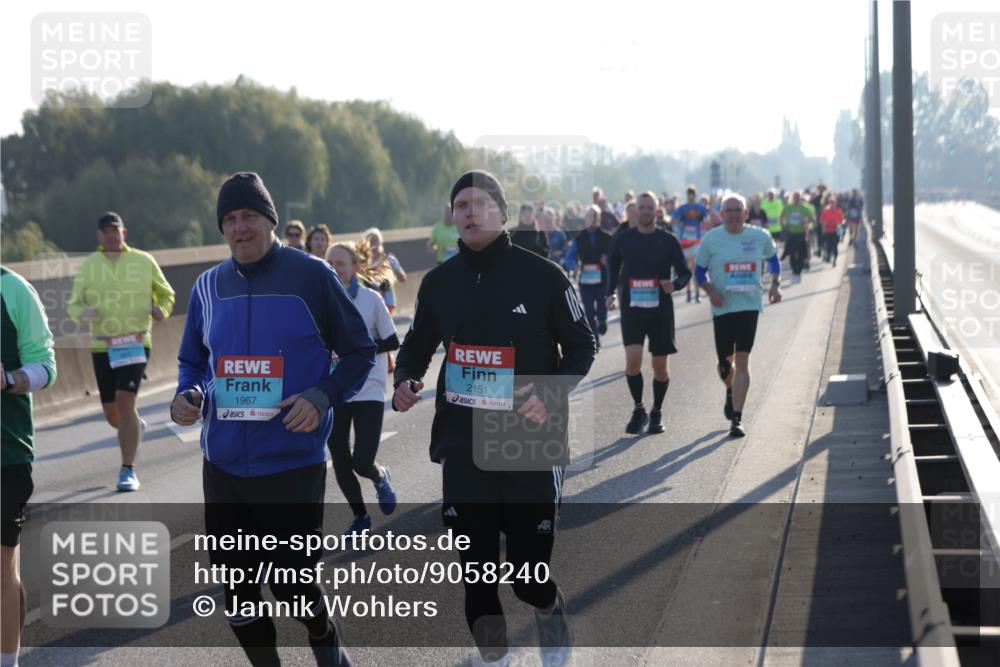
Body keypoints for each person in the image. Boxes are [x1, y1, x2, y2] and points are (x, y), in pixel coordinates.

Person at [170, 172, 376, 667]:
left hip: (291, 462)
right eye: (230, 219)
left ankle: (324, 635)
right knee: (238, 593)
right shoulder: (207, 286)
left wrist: (323, 396)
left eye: (249, 217)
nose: (240, 228)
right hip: (222, 465)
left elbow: (358, 352)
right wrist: (188, 392)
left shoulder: (312, 276)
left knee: (291, 585)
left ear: (270, 221)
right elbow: (193, 360)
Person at [392, 170, 595, 667]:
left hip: (529, 438)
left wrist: (551, 394)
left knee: (528, 578)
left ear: (503, 214)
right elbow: (417, 343)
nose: (470, 212)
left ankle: (548, 609)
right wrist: (407, 379)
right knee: (477, 573)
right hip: (463, 443)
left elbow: (583, 345)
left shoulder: (544, 275)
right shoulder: (439, 283)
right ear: (452, 217)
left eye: (481, 203)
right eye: (461, 204)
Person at [67, 211, 175, 492]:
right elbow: (73, 305)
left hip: (136, 341)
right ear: (99, 237)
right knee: (113, 413)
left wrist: (160, 309)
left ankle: (128, 470)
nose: (112, 235)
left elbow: (167, 293)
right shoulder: (89, 266)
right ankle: (134, 427)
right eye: (106, 231)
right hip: (103, 344)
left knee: (125, 401)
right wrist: (83, 312)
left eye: (116, 230)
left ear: (124, 234)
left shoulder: (143, 260)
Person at [1, 267, 57, 667]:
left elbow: (45, 367)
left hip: (6, 451)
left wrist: (7, 379)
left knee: (2, 565)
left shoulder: (13, 289)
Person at [326, 239, 399, 535]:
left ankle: (380, 476)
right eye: (329, 263)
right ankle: (360, 517)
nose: (333, 269)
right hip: (335, 388)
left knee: (361, 461)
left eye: (340, 263)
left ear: (355, 267)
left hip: (369, 386)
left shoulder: (371, 300)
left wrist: (358, 351)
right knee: (339, 458)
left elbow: (393, 340)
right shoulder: (321, 301)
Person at [695, 194, 782, 437]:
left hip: (749, 306)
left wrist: (776, 285)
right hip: (722, 308)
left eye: (738, 210)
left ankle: (737, 417)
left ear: (745, 213)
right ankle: (730, 390)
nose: (733, 214)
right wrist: (710, 290)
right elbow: (700, 271)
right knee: (726, 365)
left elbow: (774, 261)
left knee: (742, 361)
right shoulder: (711, 239)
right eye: (729, 210)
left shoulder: (759, 236)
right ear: (721, 215)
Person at [607, 192, 692, 434]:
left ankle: (656, 411)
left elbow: (685, 273)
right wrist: (610, 292)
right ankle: (638, 408)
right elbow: (612, 266)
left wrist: (674, 285)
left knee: (660, 366)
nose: (645, 211)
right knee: (633, 361)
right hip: (632, 310)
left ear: (656, 211)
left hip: (661, 311)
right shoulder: (624, 239)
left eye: (649, 208)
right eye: (641, 207)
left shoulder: (668, 240)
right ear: (635, 211)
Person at [565, 204, 612, 349]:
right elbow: (569, 258)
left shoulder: (607, 236)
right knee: (589, 312)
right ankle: (596, 340)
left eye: (595, 216)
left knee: (601, 309)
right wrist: (574, 266)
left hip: (602, 279)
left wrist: (607, 260)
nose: (592, 219)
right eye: (589, 216)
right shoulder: (579, 238)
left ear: (599, 218)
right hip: (585, 280)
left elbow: (615, 256)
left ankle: (603, 320)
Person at [671, 186, 710, 303]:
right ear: (687, 195)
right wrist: (681, 219)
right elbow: (673, 221)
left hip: (696, 241)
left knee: (696, 267)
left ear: (695, 195)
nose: (690, 196)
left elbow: (707, 221)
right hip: (685, 241)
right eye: (689, 194)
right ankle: (688, 293)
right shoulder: (682, 208)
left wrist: (701, 220)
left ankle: (697, 293)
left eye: (692, 194)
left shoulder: (700, 208)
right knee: (687, 269)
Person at [364, 227, 406, 314]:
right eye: (369, 241)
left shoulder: (389, 259)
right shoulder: (363, 262)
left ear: (380, 242)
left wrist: (394, 271)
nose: (372, 244)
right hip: (370, 301)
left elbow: (403, 278)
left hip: (387, 300)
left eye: (374, 240)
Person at [780, 192, 814, 281]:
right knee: (792, 252)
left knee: (801, 253)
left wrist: (805, 221)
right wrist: (783, 225)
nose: (797, 200)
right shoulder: (787, 208)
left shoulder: (804, 208)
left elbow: (811, 219)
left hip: (801, 233)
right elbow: (781, 216)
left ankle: (799, 270)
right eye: (795, 198)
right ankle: (794, 270)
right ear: (792, 199)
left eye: (798, 198)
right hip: (791, 233)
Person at [819, 196, 845, 266]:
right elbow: (822, 221)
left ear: (836, 203)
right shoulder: (825, 211)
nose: (832, 204)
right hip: (828, 231)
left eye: (833, 202)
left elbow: (842, 222)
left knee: (835, 246)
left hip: (836, 232)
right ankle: (828, 256)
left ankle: (835, 261)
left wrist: (841, 233)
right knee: (829, 246)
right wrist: (824, 230)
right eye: (831, 202)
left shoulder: (838, 212)